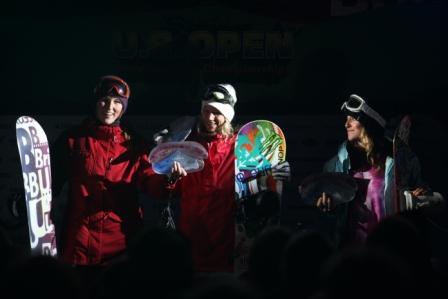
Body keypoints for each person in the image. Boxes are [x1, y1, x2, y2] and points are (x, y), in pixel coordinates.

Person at [51, 75, 186, 268]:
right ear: (95, 103)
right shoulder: (73, 140)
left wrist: (169, 179)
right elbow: (49, 183)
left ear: (124, 107)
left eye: (116, 102)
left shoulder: (135, 146)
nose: (109, 107)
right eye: (104, 100)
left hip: (121, 247)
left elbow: (152, 185)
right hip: (78, 247)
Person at [154, 84, 290, 272]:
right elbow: (168, 190)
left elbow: (262, 189)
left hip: (228, 240)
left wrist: (275, 173)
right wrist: (171, 179)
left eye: (216, 112)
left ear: (228, 115)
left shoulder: (244, 149)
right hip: (192, 237)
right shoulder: (187, 145)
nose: (209, 117)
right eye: (206, 110)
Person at [315, 94, 426, 246]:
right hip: (352, 254)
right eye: (346, 119)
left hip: (388, 251)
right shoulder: (335, 166)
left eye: (352, 119)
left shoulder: (399, 164)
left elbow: (430, 201)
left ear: (368, 123)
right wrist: (329, 210)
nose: (346, 124)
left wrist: (421, 199)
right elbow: (329, 224)